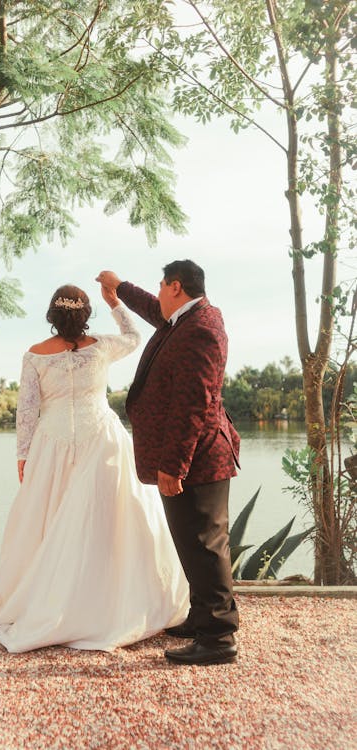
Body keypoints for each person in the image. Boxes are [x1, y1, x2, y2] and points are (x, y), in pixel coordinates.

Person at [0, 283, 189, 652]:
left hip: (51, 445)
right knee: (107, 520)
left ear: (52, 316)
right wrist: (116, 304)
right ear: (85, 315)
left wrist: (23, 455)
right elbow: (134, 336)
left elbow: (27, 411)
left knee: (49, 519)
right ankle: (107, 597)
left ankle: (51, 598)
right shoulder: (101, 347)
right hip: (100, 440)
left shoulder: (34, 355)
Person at [96, 261, 240, 666]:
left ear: (176, 287)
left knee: (205, 544)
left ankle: (218, 638)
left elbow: (194, 404)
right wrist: (118, 287)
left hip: (198, 459)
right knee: (192, 542)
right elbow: (151, 308)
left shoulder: (202, 329)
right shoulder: (184, 317)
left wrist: (173, 466)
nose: (157, 292)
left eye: (161, 286)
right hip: (188, 456)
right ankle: (201, 617)